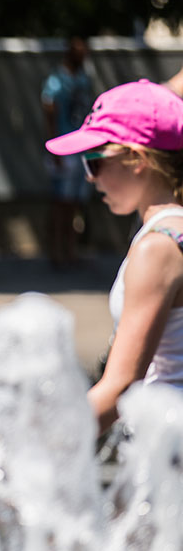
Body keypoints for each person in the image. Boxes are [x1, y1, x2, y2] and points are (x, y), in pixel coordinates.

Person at [46, 79, 183, 435]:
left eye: (94, 161)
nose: (90, 179)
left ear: (137, 158)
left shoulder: (158, 247)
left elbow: (120, 389)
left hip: (169, 457)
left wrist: (35, 447)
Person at [42, 37, 94, 269]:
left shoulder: (83, 79)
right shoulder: (56, 81)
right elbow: (50, 115)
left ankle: (71, 251)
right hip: (62, 148)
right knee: (59, 204)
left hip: (81, 148)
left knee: (74, 204)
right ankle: (55, 251)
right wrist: (54, 149)